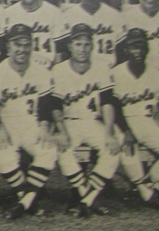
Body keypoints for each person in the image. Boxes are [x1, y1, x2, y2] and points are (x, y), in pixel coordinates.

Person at [0, 24, 59, 219]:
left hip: (32, 124)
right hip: (7, 125)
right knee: (3, 157)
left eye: (26, 44)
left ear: (31, 46)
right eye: (16, 44)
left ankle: (24, 202)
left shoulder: (41, 70)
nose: (22, 49)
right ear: (8, 47)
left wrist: (45, 127)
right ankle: (29, 198)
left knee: (49, 149)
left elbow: (46, 105)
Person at [51, 23, 121, 216]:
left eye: (86, 44)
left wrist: (109, 132)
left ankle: (85, 199)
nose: (82, 49)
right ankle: (88, 196)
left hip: (92, 121)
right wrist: (62, 131)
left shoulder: (101, 66)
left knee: (113, 147)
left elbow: (107, 102)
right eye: (78, 44)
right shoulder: (59, 69)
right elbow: (55, 106)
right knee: (62, 148)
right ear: (70, 46)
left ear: (92, 46)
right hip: (69, 121)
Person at [111, 28, 159, 206]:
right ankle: (148, 195)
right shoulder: (115, 74)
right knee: (127, 151)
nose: (137, 51)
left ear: (147, 49)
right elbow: (113, 108)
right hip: (122, 122)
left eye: (141, 46)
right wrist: (126, 132)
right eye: (133, 47)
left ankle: (145, 184)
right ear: (126, 50)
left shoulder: (158, 75)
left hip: (147, 122)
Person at [56, 0, 124, 68]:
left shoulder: (114, 15)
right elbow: (62, 53)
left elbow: (121, 52)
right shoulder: (68, 16)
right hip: (80, 71)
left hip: (108, 70)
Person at [1, 0, 62, 67]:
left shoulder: (53, 12)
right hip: (19, 68)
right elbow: (5, 49)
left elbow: (60, 51)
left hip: (46, 66)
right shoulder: (8, 13)